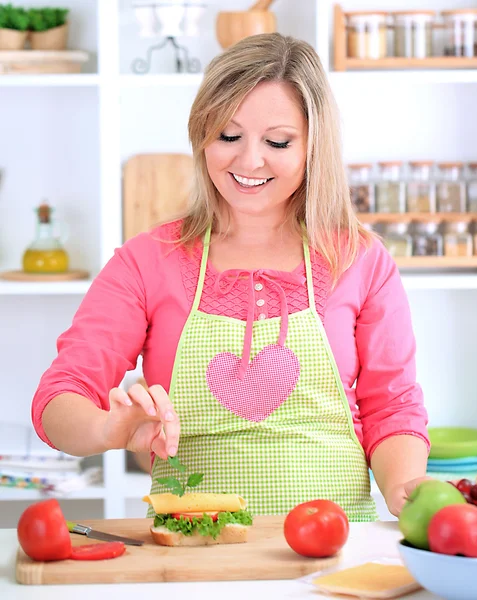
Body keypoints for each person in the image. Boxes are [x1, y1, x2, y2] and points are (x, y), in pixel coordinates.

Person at [32, 33, 430, 521]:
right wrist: (110, 430)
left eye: (278, 141)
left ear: (313, 145)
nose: (249, 160)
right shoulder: (145, 261)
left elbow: (392, 408)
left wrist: (405, 488)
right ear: (202, 134)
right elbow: (61, 395)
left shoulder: (359, 259)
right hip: (192, 551)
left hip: (336, 546)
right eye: (228, 136)